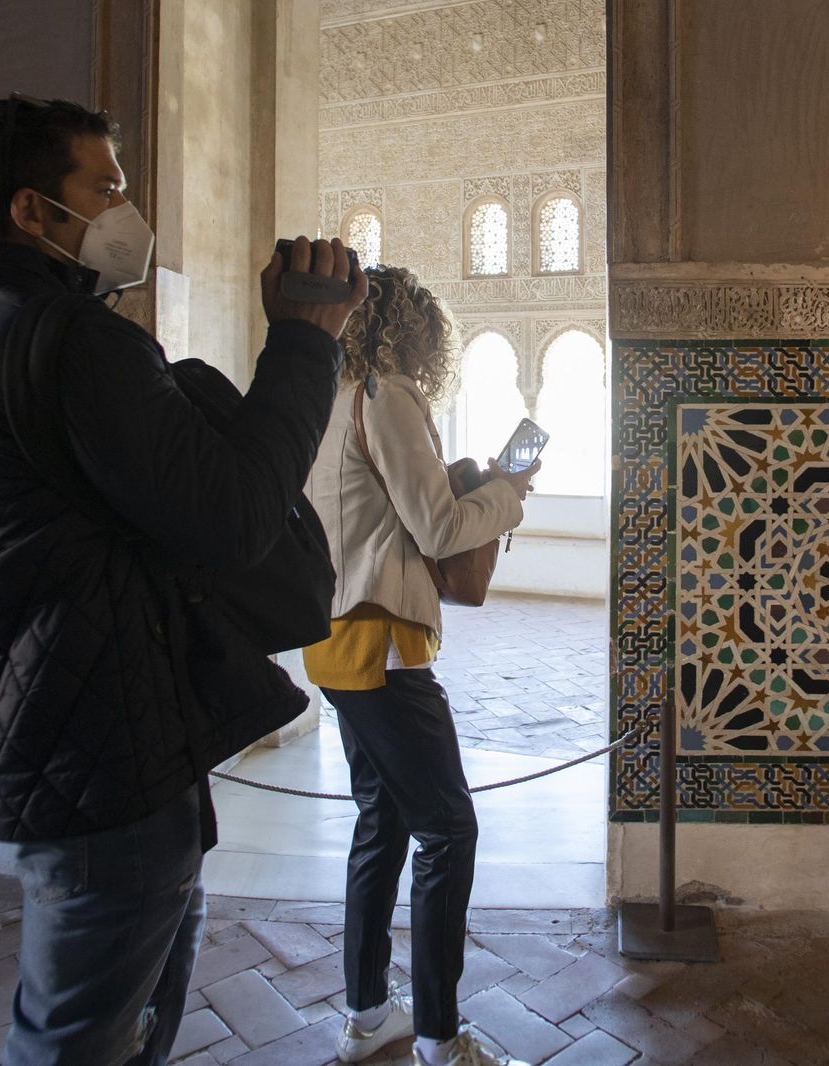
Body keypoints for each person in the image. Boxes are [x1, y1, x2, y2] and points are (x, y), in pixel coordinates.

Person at [0, 93, 366, 1065]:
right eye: (103, 187)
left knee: (114, 1018)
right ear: (33, 211)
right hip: (97, 748)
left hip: (61, 722)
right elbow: (234, 518)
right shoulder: (73, 341)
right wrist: (306, 340)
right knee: (75, 1037)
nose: (126, 208)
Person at [302, 266, 538, 1066]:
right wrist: (508, 493)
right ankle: (440, 1035)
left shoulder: (332, 399)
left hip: (338, 639)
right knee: (449, 829)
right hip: (383, 648)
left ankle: (370, 1014)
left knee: (385, 821)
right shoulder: (385, 393)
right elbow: (437, 529)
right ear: (411, 328)